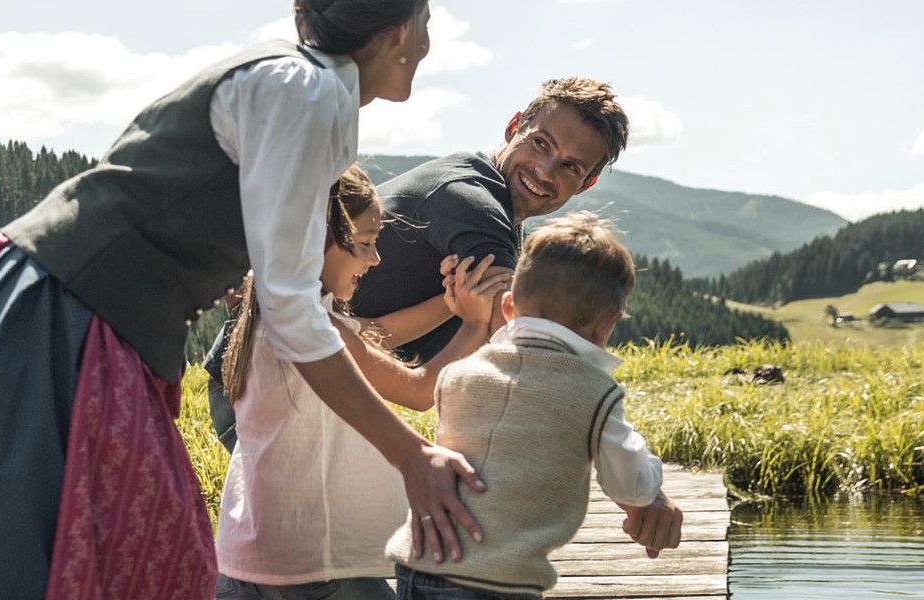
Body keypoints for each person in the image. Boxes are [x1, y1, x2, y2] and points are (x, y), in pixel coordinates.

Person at [0, 2, 487, 598]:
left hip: (95, 316)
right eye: (425, 22)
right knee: (32, 564)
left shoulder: (312, 91)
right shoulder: (304, 89)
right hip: (66, 310)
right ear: (395, 34)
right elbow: (293, 311)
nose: (427, 41)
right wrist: (411, 455)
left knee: (141, 559)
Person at [206, 77, 632, 448]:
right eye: (540, 142)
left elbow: (370, 334)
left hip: (290, 376)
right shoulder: (475, 205)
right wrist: (613, 448)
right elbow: (527, 342)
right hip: (270, 384)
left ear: (586, 182)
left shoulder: (481, 192)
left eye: (570, 166)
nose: (544, 170)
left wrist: (456, 310)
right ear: (513, 126)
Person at [215, 165, 507, 600]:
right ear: (318, 240)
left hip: (249, 560)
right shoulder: (312, 328)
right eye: (367, 243)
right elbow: (420, 389)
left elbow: (372, 333)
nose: (375, 259)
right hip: (314, 570)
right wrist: (473, 323)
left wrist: (450, 306)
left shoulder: (275, 311)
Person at [386, 213, 687, 599]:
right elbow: (628, 481)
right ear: (607, 324)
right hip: (501, 578)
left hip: (419, 559)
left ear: (509, 306)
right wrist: (652, 486)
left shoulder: (458, 375)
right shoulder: (595, 391)